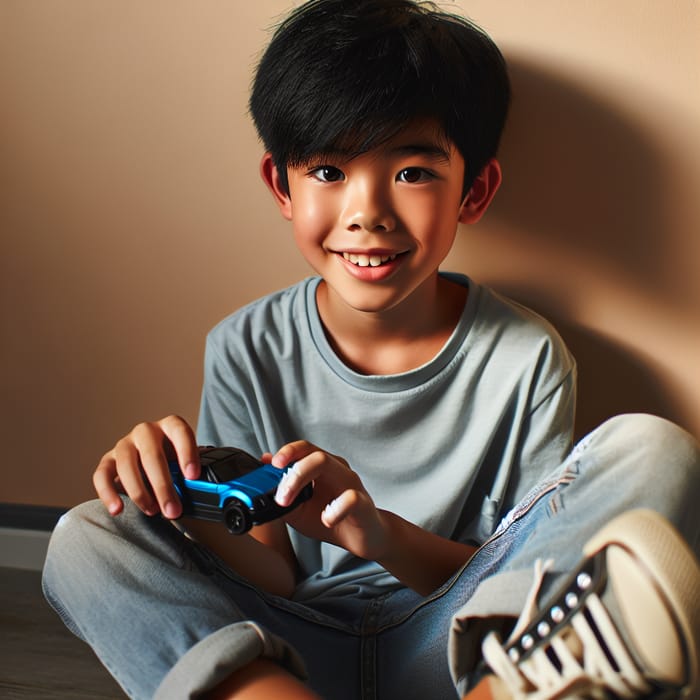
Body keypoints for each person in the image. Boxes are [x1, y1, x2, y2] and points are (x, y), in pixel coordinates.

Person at [42, 1, 700, 698]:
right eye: (328, 171)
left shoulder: (525, 356)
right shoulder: (245, 345)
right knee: (86, 536)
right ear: (281, 186)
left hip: (452, 646)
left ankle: (502, 689)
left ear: (473, 191)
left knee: (652, 447)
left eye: (412, 172)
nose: (367, 212)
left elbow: (515, 567)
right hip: (292, 647)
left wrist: (377, 534)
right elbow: (274, 572)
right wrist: (177, 499)